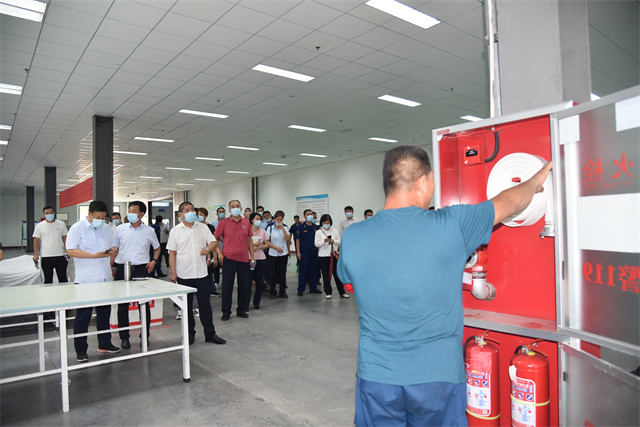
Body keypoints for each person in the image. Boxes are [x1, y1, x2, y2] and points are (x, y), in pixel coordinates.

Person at [338, 145, 552, 426]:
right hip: (437, 378)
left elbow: (350, 285)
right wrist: (535, 180)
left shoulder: (353, 236)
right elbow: (509, 201)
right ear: (422, 182)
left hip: (377, 377)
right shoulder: (453, 225)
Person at [66, 200, 120, 362]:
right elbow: (70, 250)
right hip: (86, 279)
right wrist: (93, 256)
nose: (101, 220)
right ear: (89, 214)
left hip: (104, 278)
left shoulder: (106, 228)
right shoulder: (77, 228)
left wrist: (114, 250)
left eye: (103, 218)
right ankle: (81, 350)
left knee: (104, 314)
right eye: (97, 217)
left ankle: (105, 343)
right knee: (83, 317)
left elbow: (113, 246)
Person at [167, 201, 226, 345]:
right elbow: (172, 253)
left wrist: (207, 249)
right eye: (187, 210)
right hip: (184, 274)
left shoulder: (203, 228)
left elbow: (213, 242)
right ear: (181, 214)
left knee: (205, 305)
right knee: (186, 307)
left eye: (192, 209)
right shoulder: (175, 231)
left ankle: (210, 333)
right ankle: (189, 334)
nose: (191, 212)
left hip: (201, 273)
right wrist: (173, 272)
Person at [111, 201, 161, 350]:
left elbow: (157, 248)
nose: (130, 213)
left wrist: (153, 261)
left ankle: (144, 335)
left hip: (141, 269)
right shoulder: (120, 229)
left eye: (134, 211)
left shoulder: (149, 231)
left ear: (141, 214)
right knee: (122, 305)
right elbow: (114, 248)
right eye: (129, 210)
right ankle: (124, 337)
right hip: (122, 268)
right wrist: (111, 266)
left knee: (143, 304)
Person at [214, 200, 255, 320]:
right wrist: (219, 253)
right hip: (228, 258)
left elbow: (249, 239)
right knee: (227, 287)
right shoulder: (224, 223)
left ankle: (241, 310)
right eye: (232, 206)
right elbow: (215, 237)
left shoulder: (246, 222)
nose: (235, 208)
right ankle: (226, 312)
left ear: (241, 208)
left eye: (237, 206)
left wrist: (252, 256)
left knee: (244, 286)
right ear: (229, 209)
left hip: (244, 259)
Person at [33, 206, 68, 284]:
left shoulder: (61, 224)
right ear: (43, 215)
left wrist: (68, 251)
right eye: (47, 213)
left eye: (51, 212)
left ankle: (64, 292)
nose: (49, 214)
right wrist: (35, 255)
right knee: (48, 280)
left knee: (63, 278)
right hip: (46, 256)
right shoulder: (39, 226)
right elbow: (36, 241)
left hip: (60, 255)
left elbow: (65, 238)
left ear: (54, 213)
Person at [315, 214, 347, 299]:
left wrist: (333, 241)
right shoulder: (318, 232)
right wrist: (324, 241)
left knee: (337, 274)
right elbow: (316, 244)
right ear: (322, 223)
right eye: (324, 223)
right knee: (325, 274)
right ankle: (328, 292)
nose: (326, 224)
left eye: (328, 223)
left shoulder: (334, 231)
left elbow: (340, 241)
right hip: (323, 256)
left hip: (333, 255)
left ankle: (342, 292)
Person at [296, 209, 322, 296]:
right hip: (304, 252)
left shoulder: (315, 227)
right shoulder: (301, 227)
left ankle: (313, 288)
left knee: (313, 270)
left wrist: (318, 251)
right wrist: (298, 252)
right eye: (308, 214)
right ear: (304, 216)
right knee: (303, 271)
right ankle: (301, 289)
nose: (310, 216)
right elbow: (298, 240)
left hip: (314, 252)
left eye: (311, 214)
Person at [197, 207, 221, 296]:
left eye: (201, 215)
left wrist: (214, 257)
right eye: (198, 215)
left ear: (205, 216)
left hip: (207, 253)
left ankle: (211, 289)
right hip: (198, 254)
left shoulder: (209, 227)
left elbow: (213, 243)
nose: (199, 216)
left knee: (209, 272)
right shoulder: (195, 227)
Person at [266, 210, 290, 299]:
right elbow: (267, 241)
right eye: (277, 219)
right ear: (274, 219)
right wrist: (276, 248)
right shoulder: (270, 228)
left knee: (282, 273)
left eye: (280, 219)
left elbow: (287, 238)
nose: (279, 221)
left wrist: (282, 228)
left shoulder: (285, 228)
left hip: (283, 254)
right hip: (273, 254)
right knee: (272, 273)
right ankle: (272, 291)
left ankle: (282, 291)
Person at [248, 212, 269, 309]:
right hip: (249, 258)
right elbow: (244, 243)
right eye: (256, 219)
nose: (258, 221)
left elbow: (267, 244)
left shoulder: (263, 231)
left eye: (260, 219)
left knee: (259, 281)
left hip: (261, 259)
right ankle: (245, 303)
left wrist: (259, 247)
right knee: (247, 281)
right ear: (252, 220)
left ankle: (257, 303)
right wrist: (253, 245)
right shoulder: (248, 231)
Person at [210, 207, 226, 292]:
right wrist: (221, 239)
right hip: (217, 248)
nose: (221, 213)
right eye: (220, 212)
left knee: (226, 268)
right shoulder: (213, 224)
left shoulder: (228, 222)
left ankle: (225, 284)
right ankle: (216, 282)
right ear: (217, 214)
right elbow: (213, 236)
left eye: (223, 211)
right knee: (216, 267)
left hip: (226, 249)